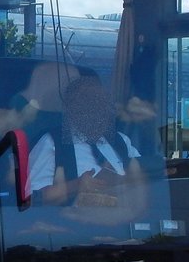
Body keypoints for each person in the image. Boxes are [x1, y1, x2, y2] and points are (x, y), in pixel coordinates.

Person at [37, 70, 150, 225]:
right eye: (90, 103)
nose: (100, 109)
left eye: (103, 102)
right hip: (77, 235)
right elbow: (32, 200)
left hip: (129, 232)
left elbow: (148, 177)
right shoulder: (52, 142)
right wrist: (77, 185)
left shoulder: (121, 141)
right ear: (71, 108)